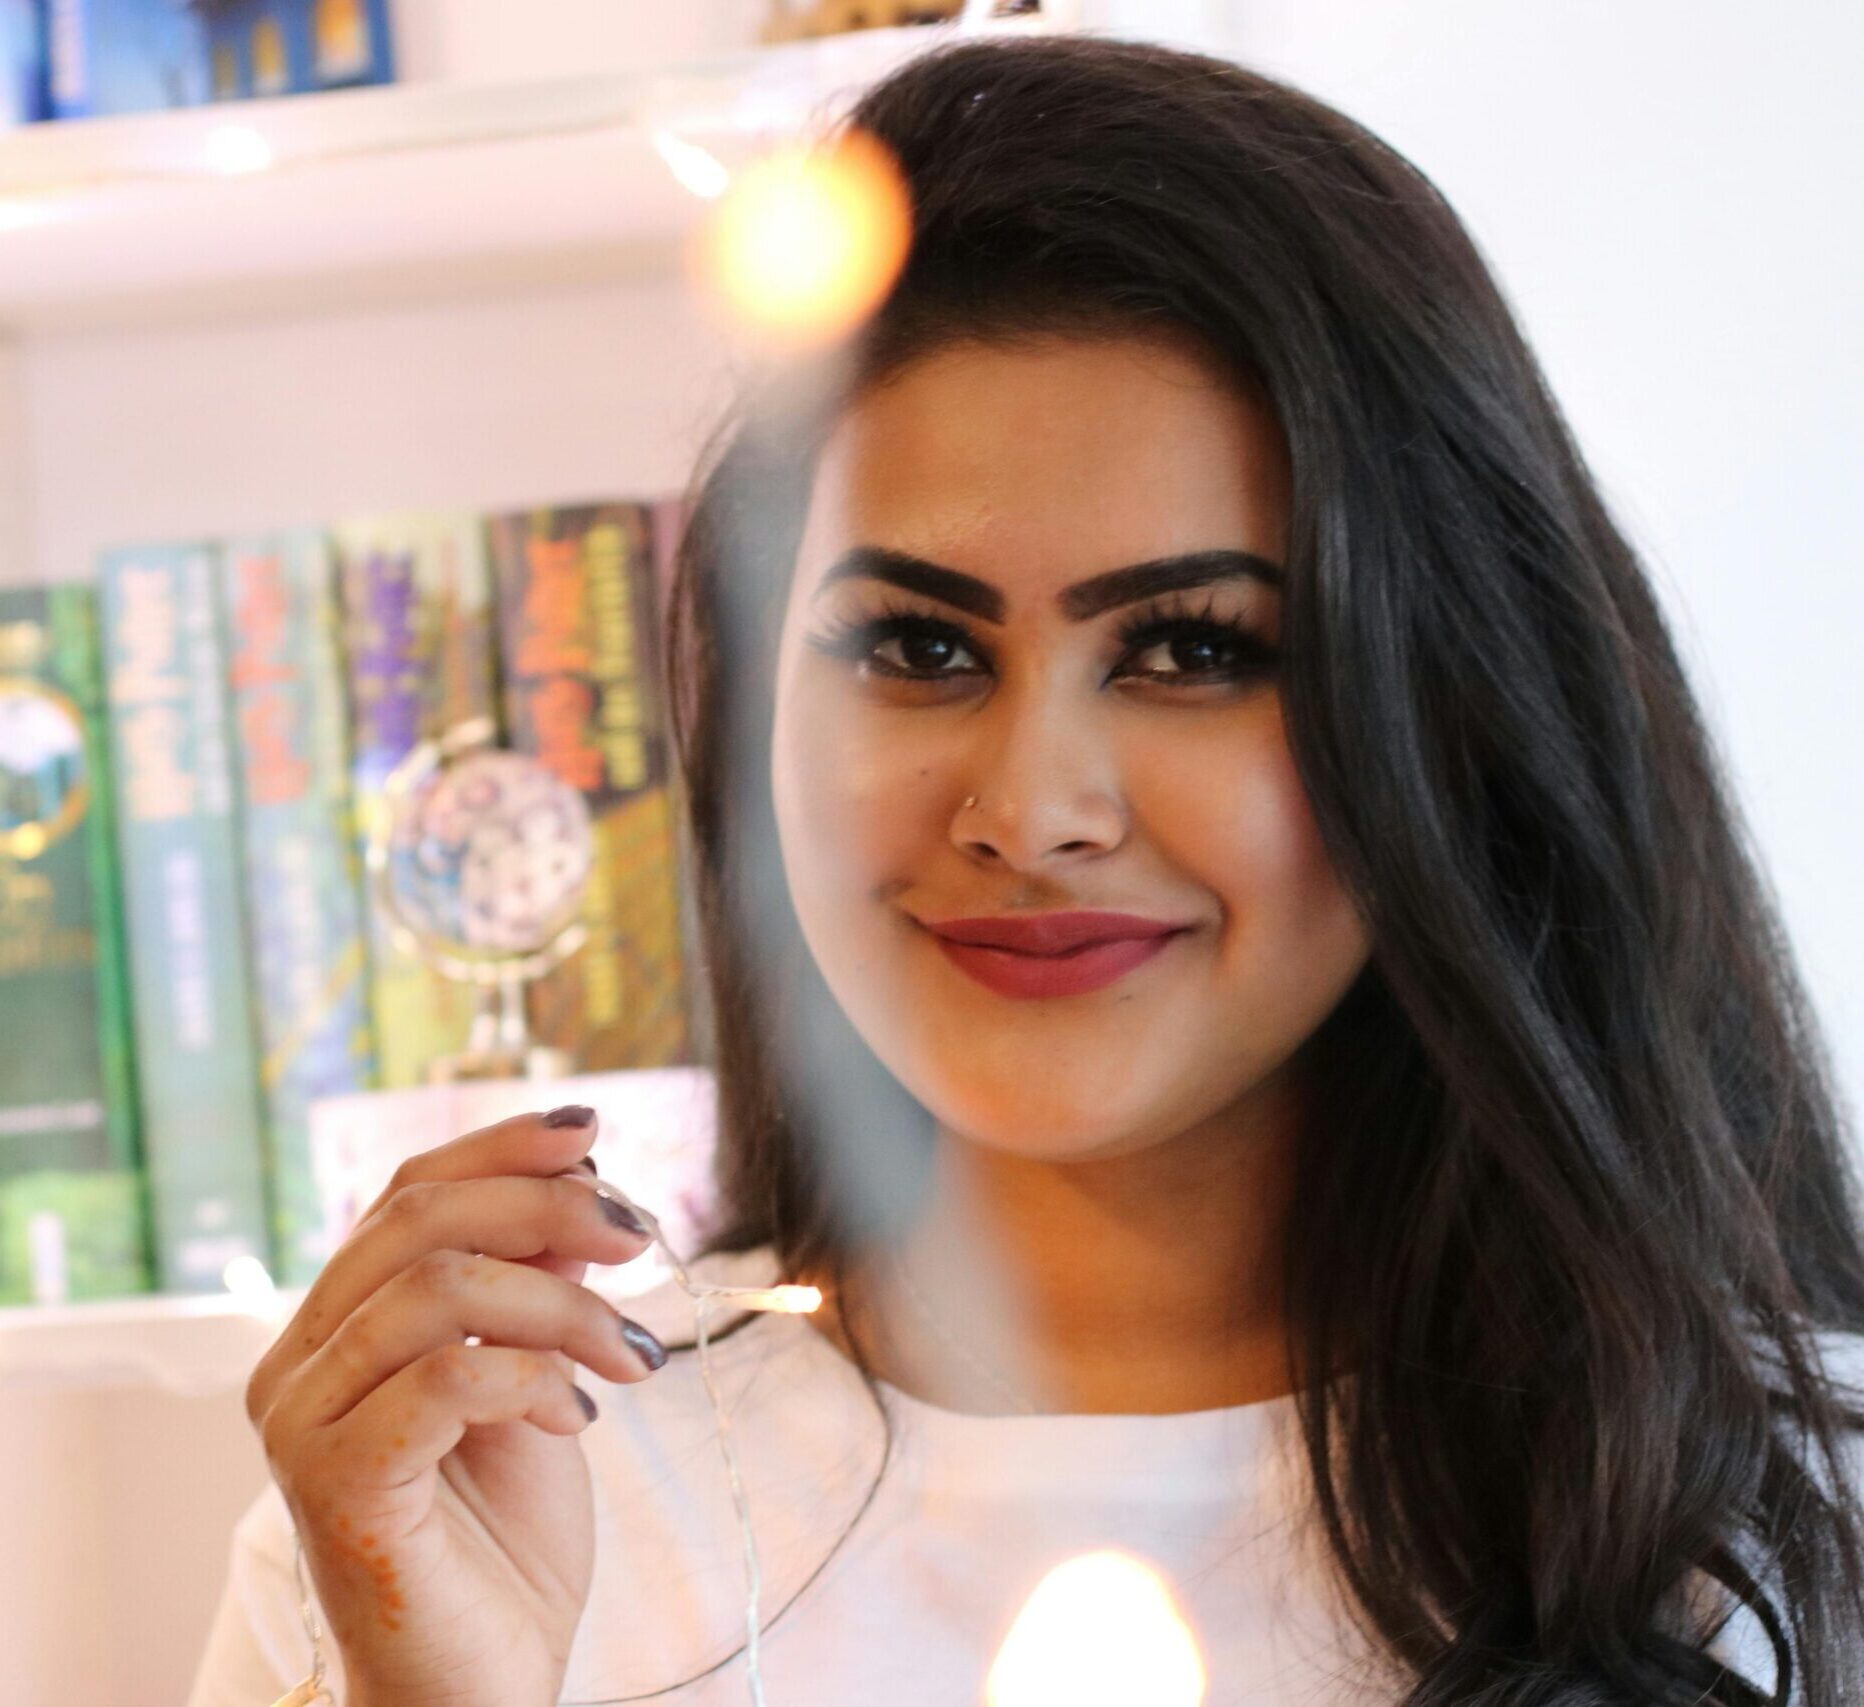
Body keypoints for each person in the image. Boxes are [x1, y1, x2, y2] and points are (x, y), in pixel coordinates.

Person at [188, 32, 1864, 1707]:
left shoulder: (1799, 1530)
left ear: (1451, 705)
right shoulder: (457, 1511)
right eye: (914, 644)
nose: (1030, 806)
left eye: (1196, 648)